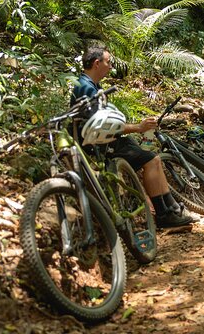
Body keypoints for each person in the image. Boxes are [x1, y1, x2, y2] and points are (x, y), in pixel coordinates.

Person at [71, 45, 197, 229]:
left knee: (153, 158)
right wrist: (138, 128)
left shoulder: (92, 86)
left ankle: (173, 208)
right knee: (151, 160)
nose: (111, 66)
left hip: (106, 140)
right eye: (108, 62)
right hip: (97, 144)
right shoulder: (86, 88)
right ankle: (163, 214)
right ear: (97, 63)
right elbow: (101, 126)